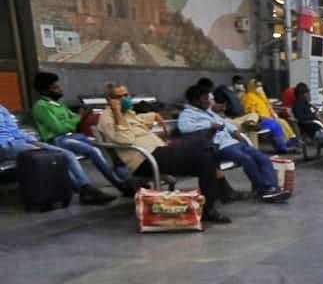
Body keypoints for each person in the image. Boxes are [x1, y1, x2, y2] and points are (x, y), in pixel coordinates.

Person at [97, 83, 231, 223]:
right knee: (203, 145)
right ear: (109, 100)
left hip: (159, 152)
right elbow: (126, 139)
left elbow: (138, 120)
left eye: (126, 95)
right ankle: (221, 194)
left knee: (206, 159)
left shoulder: (127, 113)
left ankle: (209, 208)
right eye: (118, 97)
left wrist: (154, 115)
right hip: (145, 160)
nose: (124, 99)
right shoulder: (107, 118)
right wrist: (116, 112)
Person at [178, 84, 289, 202]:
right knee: (247, 159)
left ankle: (272, 188)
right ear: (195, 100)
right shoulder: (187, 114)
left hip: (232, 143)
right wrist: (209, 125)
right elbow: (184, 127)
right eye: (205, 99)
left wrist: (236, 132)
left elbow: (225, 123)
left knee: (263, 158)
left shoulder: (208, 112)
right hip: (219, 146)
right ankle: (264, 190)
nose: (208, 101)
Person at [30, 72, 135, 197]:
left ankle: (122, 180)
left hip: (73, 136)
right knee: (93, 150)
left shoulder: (59, 105)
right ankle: (95, 188)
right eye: (55, 88)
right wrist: (78, 117)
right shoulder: (41, 106)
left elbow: (74, 118)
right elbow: (59, 128)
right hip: (57, 140)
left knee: (101, 146)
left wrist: (77, 118)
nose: (60, 89)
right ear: (45, 91)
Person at [0, 104, 114, 204]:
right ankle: (83, 190)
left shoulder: (2, 108)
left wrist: (32, 140)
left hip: (21, 141)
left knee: (66, 154)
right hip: (5, 144)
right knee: (52, 157)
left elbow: (15, 130)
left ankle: (85, 187)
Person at [240, 77, 296, 152]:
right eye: (258, 86)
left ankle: (289, 142)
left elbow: (268, 106)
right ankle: (281, 147)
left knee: (283, 122)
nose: (260, 88)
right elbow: (251, 112)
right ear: (252, 86)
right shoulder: (249, 97)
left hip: (268, 117)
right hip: (259, 119)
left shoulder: (261, 95)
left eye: (261, 86)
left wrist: (273, 114)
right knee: (275, 125)